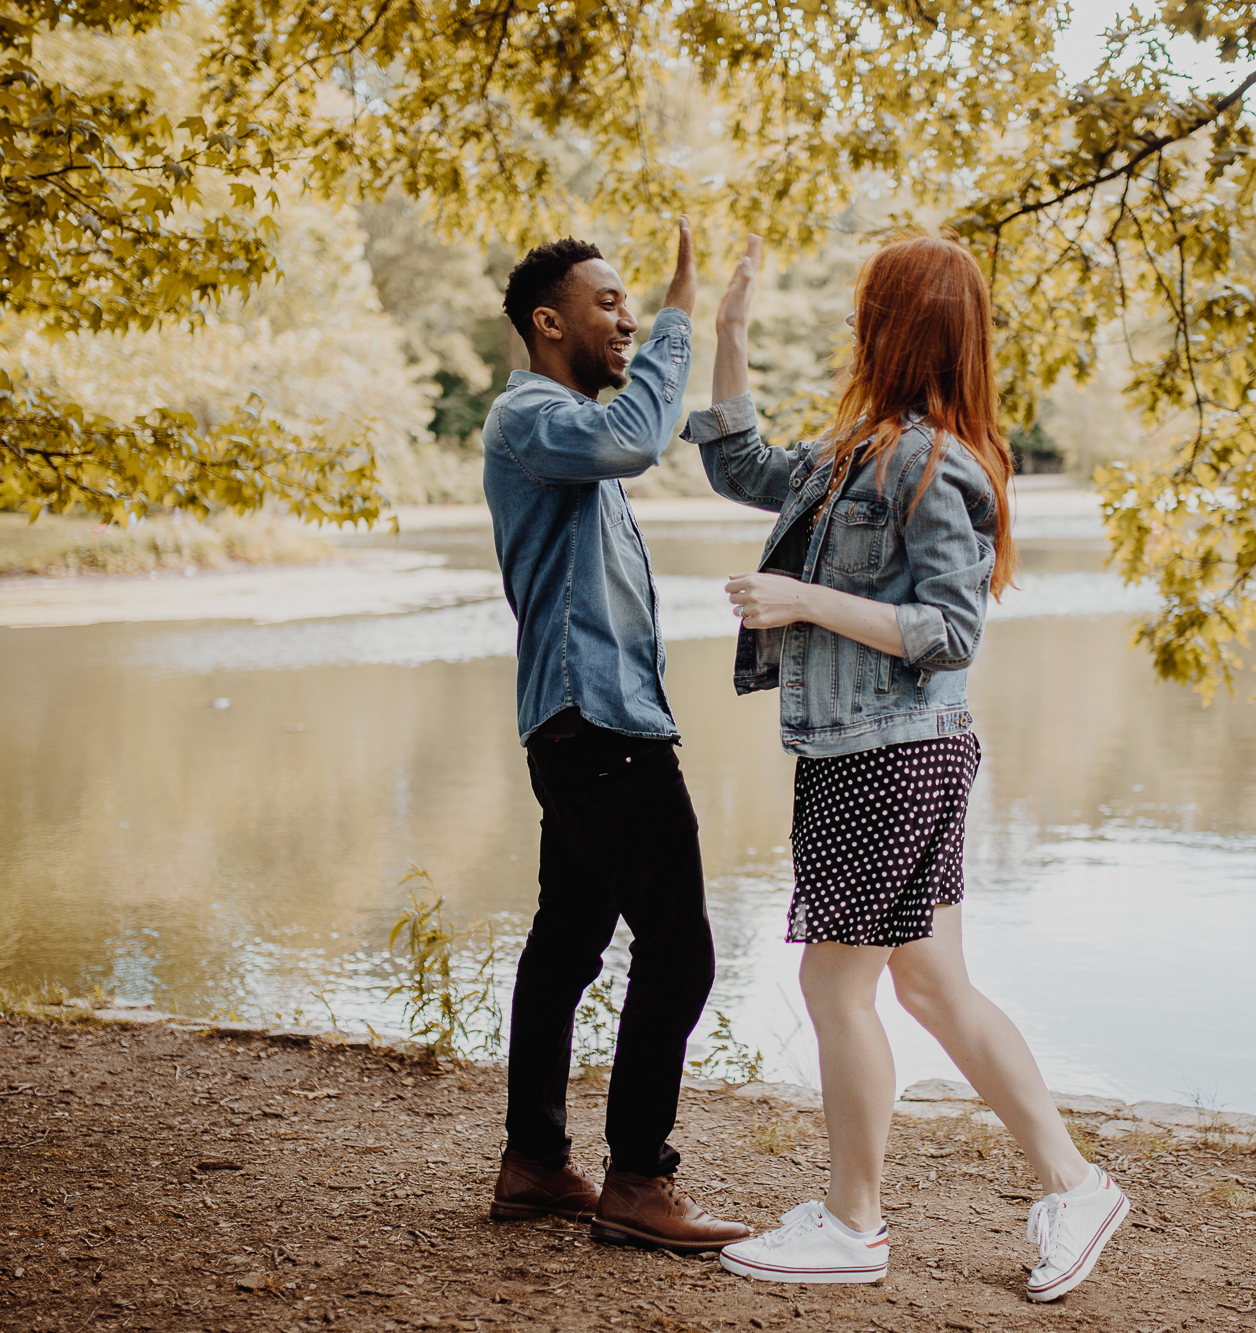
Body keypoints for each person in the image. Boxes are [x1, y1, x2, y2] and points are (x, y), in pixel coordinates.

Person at [683, 233, 1127, 1300]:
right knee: (929, 982)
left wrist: (801, 600)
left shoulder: (936, 466)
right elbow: (738, 464)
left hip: (889, 758)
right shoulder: (857, 451)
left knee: (832, 982)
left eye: (863, 308)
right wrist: (730, 332)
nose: (848, 322)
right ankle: (1073, 1183)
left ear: (900, 327)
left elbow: (947, 630)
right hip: (883, 753)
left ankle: (851, 1222)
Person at [480, 218, 749, 1255]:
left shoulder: (558, 430)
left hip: (583, 725)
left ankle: (535, 1164)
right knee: (677, 954)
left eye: (634, 304)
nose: (628, 318)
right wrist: (684, 314)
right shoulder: (534, 417)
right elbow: (639, 435)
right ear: (548, 324)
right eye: (609, 304)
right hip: (599, 729)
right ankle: (637, 1181)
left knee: (566, 946)